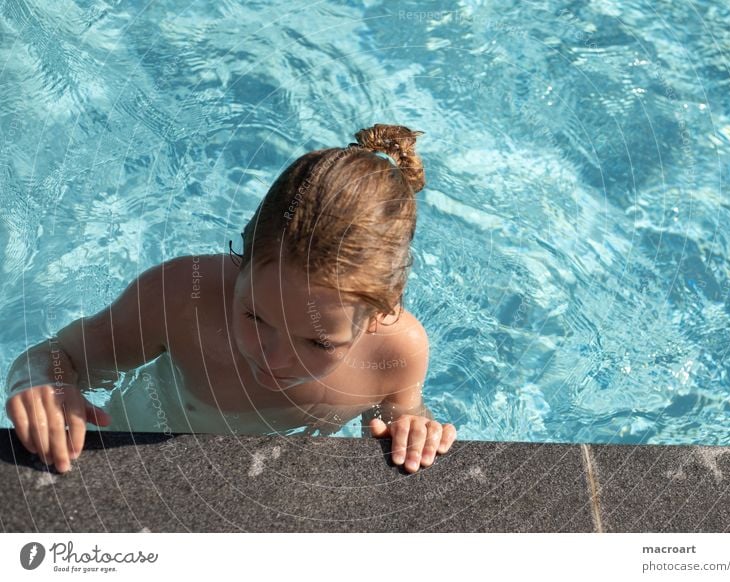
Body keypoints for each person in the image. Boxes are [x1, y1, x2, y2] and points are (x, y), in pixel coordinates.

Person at [4, 123, 457, 475]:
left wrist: (414, 428)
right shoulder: (181, 297)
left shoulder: (397, 353)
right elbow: (62, 355)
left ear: (381, 314)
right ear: (240, 262)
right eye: (255, 316)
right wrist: (43, 383)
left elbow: (400, 420)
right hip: (128, 455)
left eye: (319, 342)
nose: (274, 357)